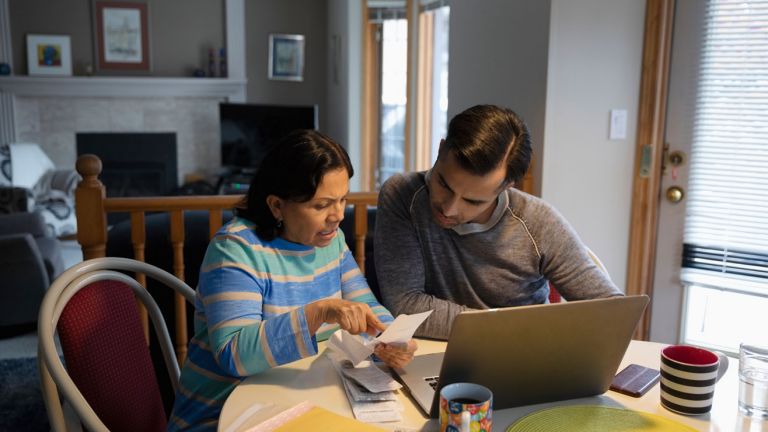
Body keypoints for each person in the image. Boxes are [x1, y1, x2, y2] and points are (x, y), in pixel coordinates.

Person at [168, 130, 417, 431]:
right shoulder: (235, 248)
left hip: (298, 402)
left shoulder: (331, 240)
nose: (337, 216)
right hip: (223, 415)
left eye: (342, 200)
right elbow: (234, 354)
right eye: (321, 205)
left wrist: (390, 336)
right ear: (276, 206)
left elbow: (362, 303)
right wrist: (319, 312)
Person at [374, 104, 622, 340]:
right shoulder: (402, 196)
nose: (449, 209)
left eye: (472, 201)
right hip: (434, 352)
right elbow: (405, 306)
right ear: (440, 150)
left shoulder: (538, 222)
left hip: (521, 354)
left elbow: (613, 312)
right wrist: (515, 328)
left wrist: (518, 335)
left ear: (506, 187)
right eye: (443, 184)